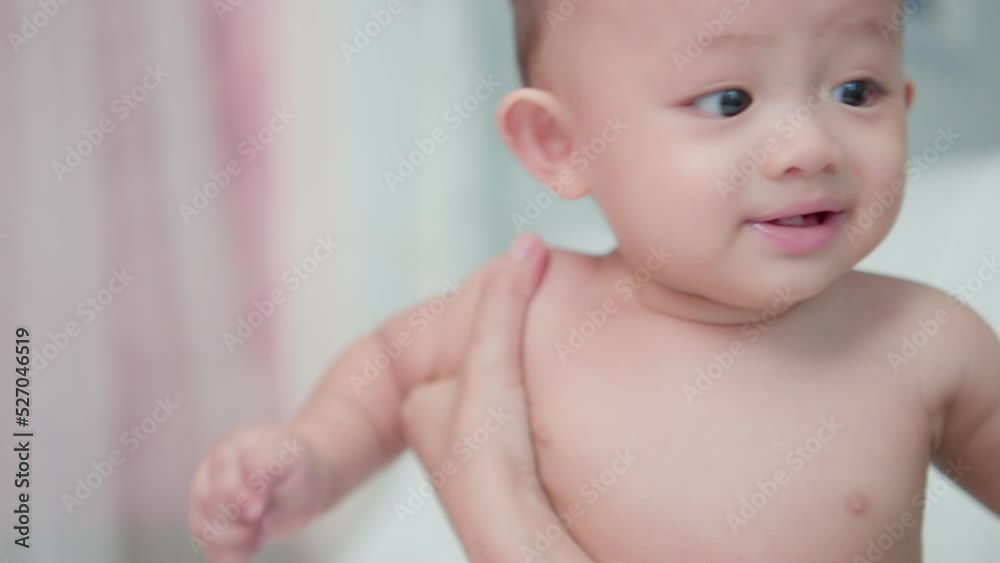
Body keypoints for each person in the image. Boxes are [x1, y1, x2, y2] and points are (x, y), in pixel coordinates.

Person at [189, 1, 1000, 561]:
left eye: (856, 90)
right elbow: (390, 362)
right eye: (729, 99)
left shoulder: (925, 341)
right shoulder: (537, 310)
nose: (809, 146)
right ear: (558, 145)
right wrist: (312, 454)